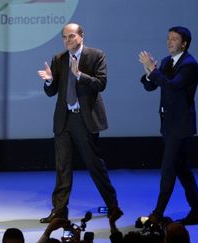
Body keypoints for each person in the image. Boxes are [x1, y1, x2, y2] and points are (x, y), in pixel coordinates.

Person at [37, 22, 123, 224]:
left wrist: (80, 75)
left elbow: (101, 84)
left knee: (94, 164)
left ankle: (113, 206)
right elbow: (52, 92)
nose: (67, 40)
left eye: (71, 36)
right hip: (63, 118)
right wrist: (49, 80)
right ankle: (59, 211)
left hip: (84, 119)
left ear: (81, 36)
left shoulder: (96, 55)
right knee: (62, 167)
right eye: (64, 37)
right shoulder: (59, 59)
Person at [138, 26, 198, 225]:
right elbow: (151, 86)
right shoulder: (167, 61)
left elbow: (172, 86)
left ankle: (157, 214)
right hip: (168, 125)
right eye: (168, 38)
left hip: (180, 126)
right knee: (183, 170)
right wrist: (150, 73)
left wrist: (155, 71)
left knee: (168, 171)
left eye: (174, 39)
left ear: (184, 43)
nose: (169, 42)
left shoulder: (189, 65)